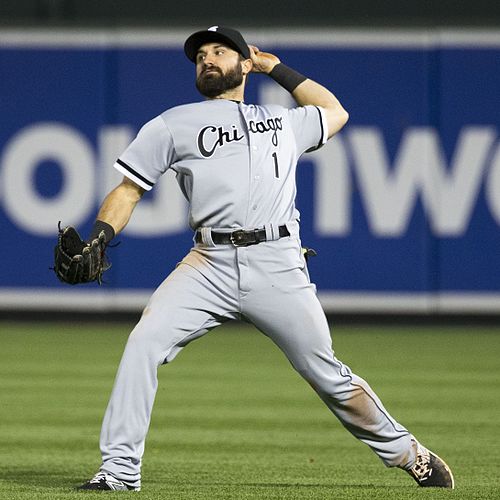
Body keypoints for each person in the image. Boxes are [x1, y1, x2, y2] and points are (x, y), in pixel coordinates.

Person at [77, 26, 454, 491]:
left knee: (326, 372)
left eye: (220, 51)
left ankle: (409, 454)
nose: (207, 59)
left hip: (277, 263)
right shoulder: (171, 123)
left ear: (244, 63)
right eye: (200, 55)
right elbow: (128, 190)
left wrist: (276, 67)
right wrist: (99, 235)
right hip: (207, 264)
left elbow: (335, 112)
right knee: (142, 344)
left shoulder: (283, 121)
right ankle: (118, 473)